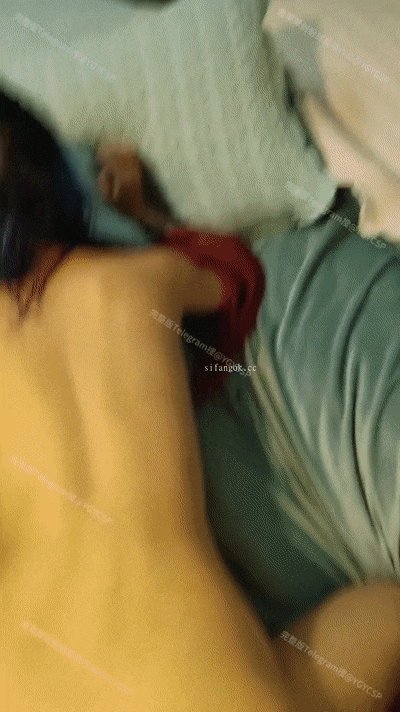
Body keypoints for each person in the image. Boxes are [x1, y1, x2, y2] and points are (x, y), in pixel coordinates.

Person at [1, 117, 400, 711]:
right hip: (204, 689)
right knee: (387, 614)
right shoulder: (137, 280)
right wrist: (143, 215)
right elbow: (233, 279)